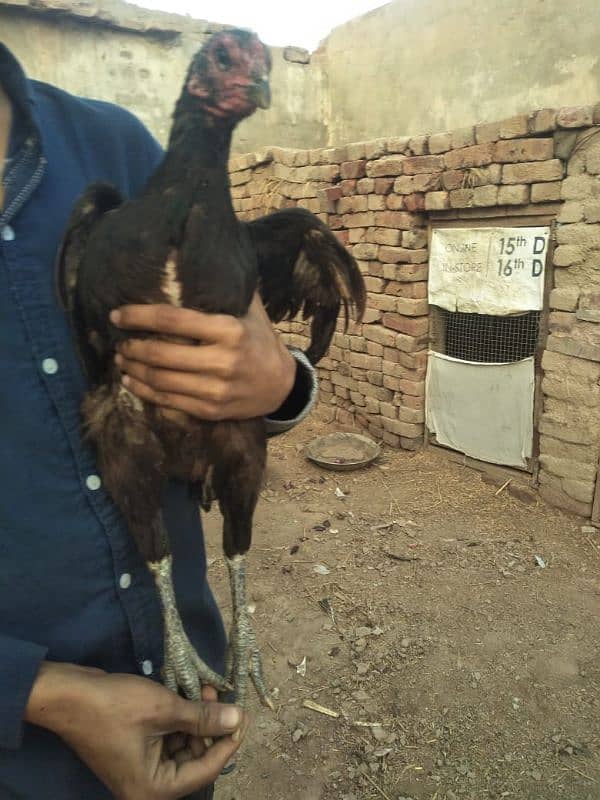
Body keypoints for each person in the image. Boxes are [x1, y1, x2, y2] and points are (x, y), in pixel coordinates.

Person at [0, 42, 317, 800]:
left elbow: (239, 352)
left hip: (185, 702)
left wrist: (278, 382)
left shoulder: (117, 146)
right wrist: (45, 695)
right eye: (232, 67)